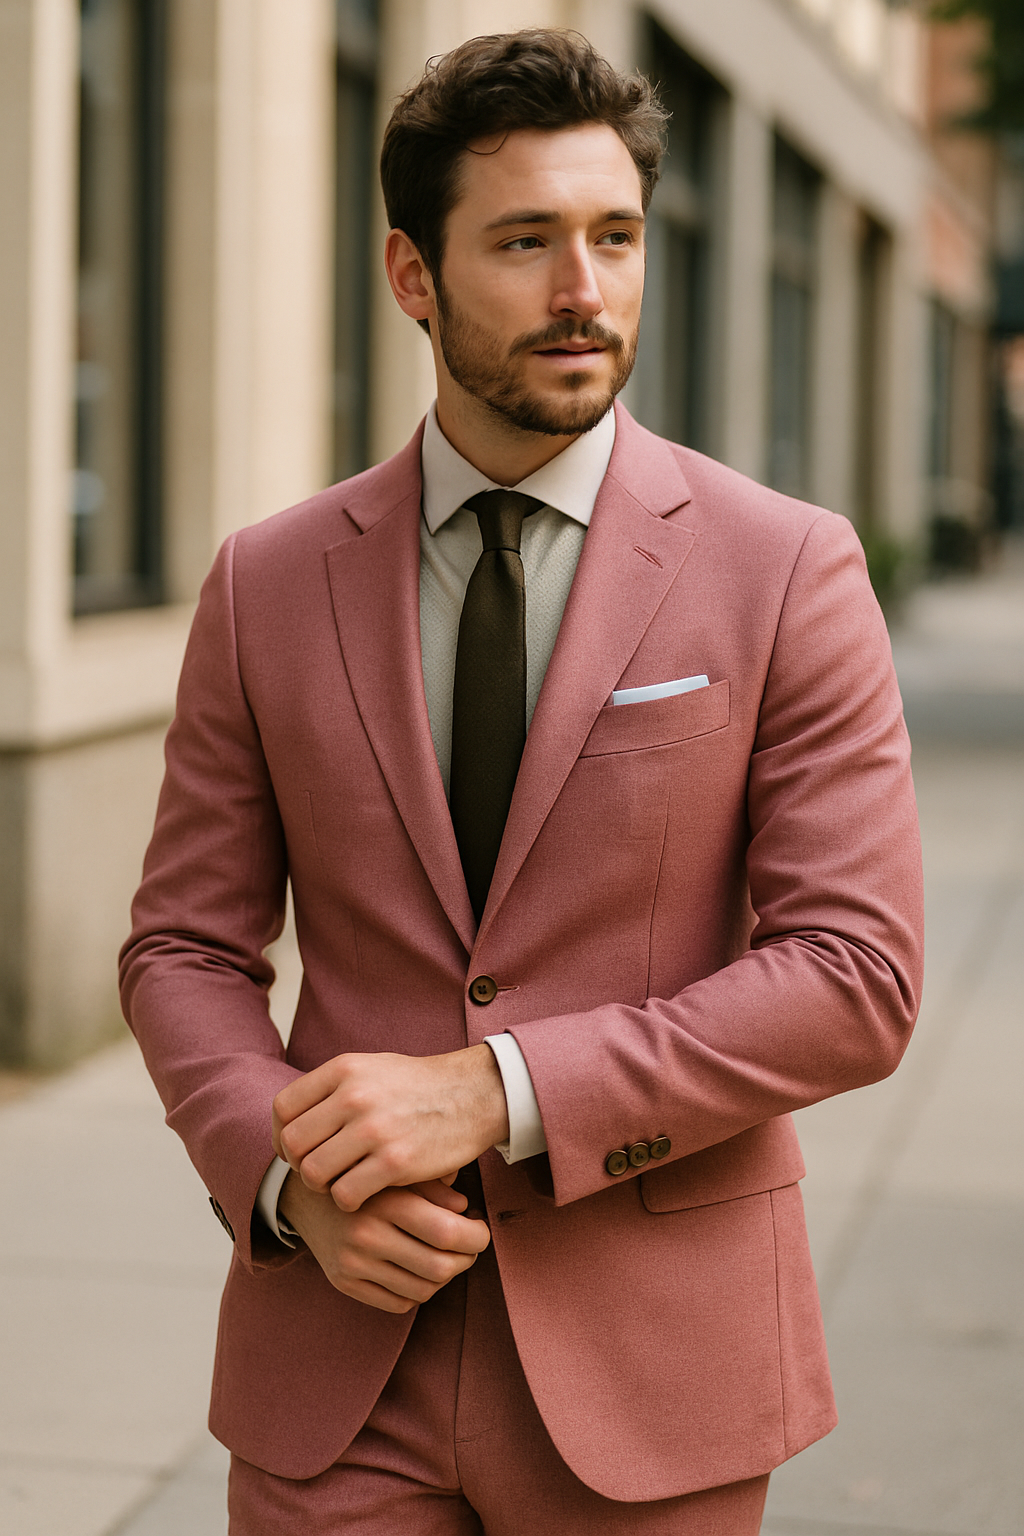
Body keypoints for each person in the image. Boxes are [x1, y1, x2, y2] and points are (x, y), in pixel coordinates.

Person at [120, 29, 924, 1536]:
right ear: (411, 275)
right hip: (338, 1370)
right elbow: (184, 948)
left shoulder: (783, 568)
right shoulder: (266, 584)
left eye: (615, 236)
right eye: (526, 242)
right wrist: (288, 1185)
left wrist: (495, 1095)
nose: (586, 291)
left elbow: (854, 974)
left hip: (653, 1363)